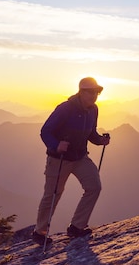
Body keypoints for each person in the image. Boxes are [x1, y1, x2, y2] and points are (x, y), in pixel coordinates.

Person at [32, 77, 111, 242]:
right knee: (53, 194)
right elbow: (45, 131)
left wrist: (100, 141)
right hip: (59, 159)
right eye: (91, 92)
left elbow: (91, 133)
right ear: (81, 92)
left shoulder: (93, 110)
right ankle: (40, 232)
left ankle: (77, 226)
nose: (94, 95)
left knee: (94, 187)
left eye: (97, 92)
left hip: (80, 157)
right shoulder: (65, 109)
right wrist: (56, 144)